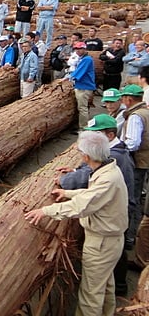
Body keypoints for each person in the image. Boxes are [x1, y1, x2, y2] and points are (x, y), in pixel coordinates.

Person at [24, 130, 128, 316]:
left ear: (86, 156)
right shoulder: (110, 169)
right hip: (110, 241)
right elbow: (93, 196)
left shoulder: (106, 179)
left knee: (91, 294)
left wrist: (45, 211)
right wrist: (67, 193)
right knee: (105, 284)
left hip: (101, 243)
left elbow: (83, 205)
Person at [56, 114, 135, 297]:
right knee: (115, 254)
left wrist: (65, 182)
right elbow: (89, 171)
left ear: (108, 136)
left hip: (114, 218)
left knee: (113, 256)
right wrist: (75, 170)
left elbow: (85, 187)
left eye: (95, 134)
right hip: (119, 210)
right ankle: (114, 287)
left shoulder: (116, 156)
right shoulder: (112, 153)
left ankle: (120, 286)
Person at [120, 84, 149, 245]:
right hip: (145, 160)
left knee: (133, 198)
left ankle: (130, 236)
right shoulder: (146, 112)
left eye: (124, 98)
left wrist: (119, 149)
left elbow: (133, 143)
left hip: (137, 162)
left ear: (129, 99)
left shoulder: (135, 116)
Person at [67, 41, 96, 129]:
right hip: (81, 85)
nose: (78, 51)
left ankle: (83, 128)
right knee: (81, 107)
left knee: (82, 108)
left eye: (80, 49)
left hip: (84, 86)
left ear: (84, 49)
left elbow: (79, 72)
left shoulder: (87, 59)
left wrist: (68, 78)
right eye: (76, 49)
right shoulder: (82, 59)